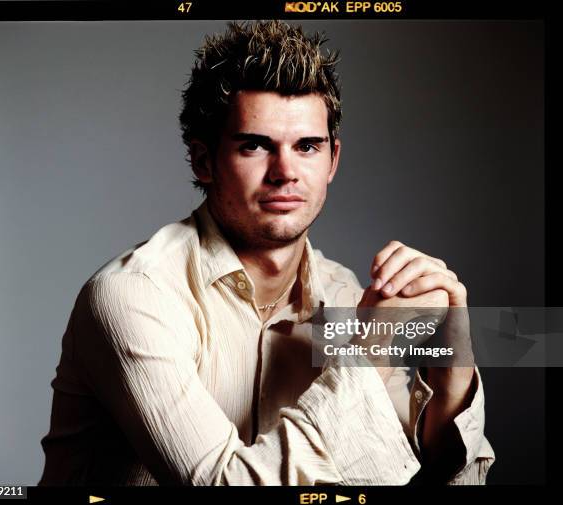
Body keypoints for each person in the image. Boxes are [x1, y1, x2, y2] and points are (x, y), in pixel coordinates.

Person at [38, 20, 495, 486]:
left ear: (332, 160)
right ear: (203, 161)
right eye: (255, 146)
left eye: (307, 146)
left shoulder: (343, 296)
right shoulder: (133, 297)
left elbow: (425, 479)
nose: (285, 172)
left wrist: (452, 373)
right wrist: (370, 349)